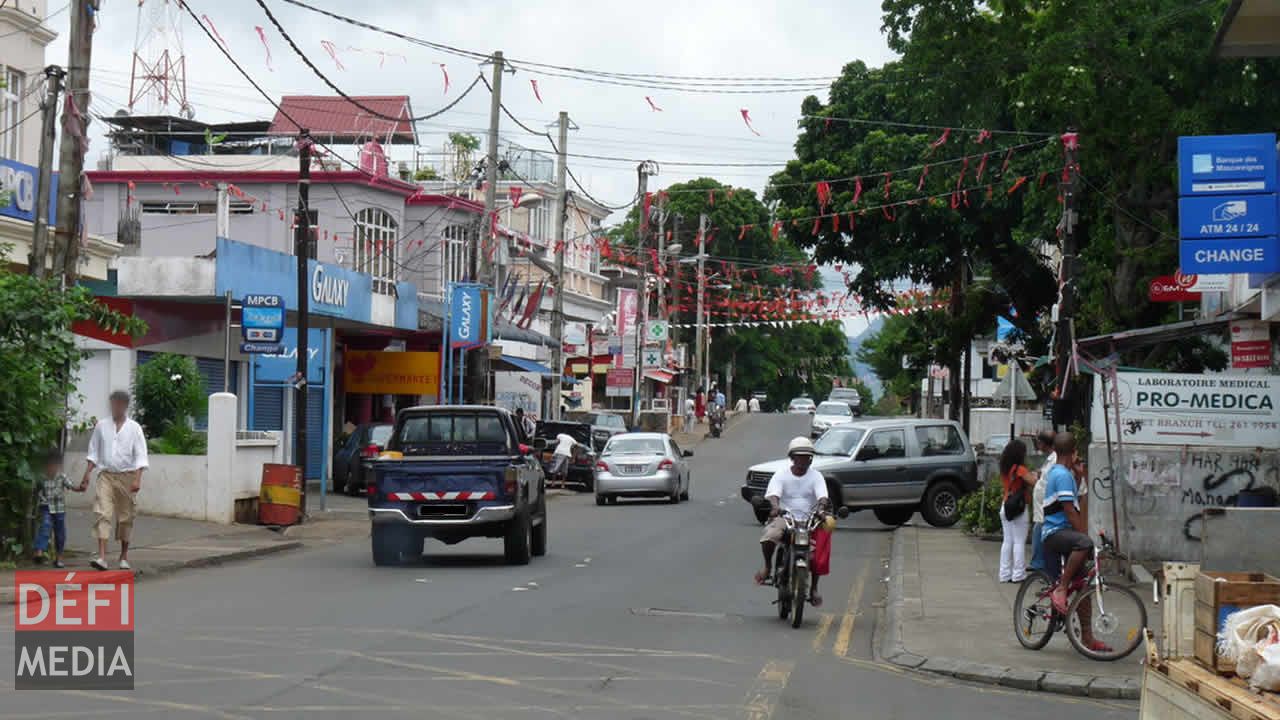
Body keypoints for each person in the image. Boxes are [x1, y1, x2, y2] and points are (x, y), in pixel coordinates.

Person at [1041, 433, 1108, 652]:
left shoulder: (1067, 475)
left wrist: (1080, 478)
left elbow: (1075, 502)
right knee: (1084, 544)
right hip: (1055, 533)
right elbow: (1069, 511)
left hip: (1065, 534)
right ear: (1073, 453)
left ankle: (1087, 638)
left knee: (1084, 588)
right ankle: (1061, 588)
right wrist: (1085, 538)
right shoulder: (1060, 475)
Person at [755, 436, 831, 607]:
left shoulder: (816, 476)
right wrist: (775, 507)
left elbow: (822, 497)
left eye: (808, 457)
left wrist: (821, 510)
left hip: (809, 520)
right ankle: (768, 566)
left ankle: (814, 588)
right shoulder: (781, 475)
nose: (805, 460)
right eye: (801, 456)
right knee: (770, 535)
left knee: (817, 553)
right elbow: (774, 494)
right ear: (792, 457)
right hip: (785, 518)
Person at [83, 390, 149, 571]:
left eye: (119, 404)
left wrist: (137, 479)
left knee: (126, 517)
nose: (115, 407)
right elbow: (93, 452)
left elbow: (140, 455)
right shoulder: (101, 426)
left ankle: (124, 555)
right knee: (102, 512)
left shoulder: (134, 428)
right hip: (106, 475)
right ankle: (102, 557)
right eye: (113, 403)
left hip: (127, 477)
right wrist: (87, 474)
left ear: (125, 406)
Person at [33, 449, 83, 568]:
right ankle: (39, 552)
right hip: (46, 507)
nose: (51, 468)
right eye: (49, 466)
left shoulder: (61, 477)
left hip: (59, 509)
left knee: (60, 534)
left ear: (58, 466)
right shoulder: (42, 478)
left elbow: (71, 486)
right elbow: (36, 491)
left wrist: (80, 488)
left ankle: (59, 558)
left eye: (54, 465)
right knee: (45, 527)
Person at [998, 439, 1037, 583]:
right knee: (1019, 542)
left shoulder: (1004, 467)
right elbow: (1034, 483)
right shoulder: (1020, 469)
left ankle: (1004, 573)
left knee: (1007, 541)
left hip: (1006, 505)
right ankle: (1018, 574)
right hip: (1018, 507)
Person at [1029, 430, 1057, 573]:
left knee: (1040, 532)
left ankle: (1038, 564)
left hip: (1046, 505)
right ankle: (1038, 563)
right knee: (1038, 530)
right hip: (1042, 506)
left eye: (1039, 442)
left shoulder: (1055, 459)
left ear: (1043, 443)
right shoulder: (1050, 459)